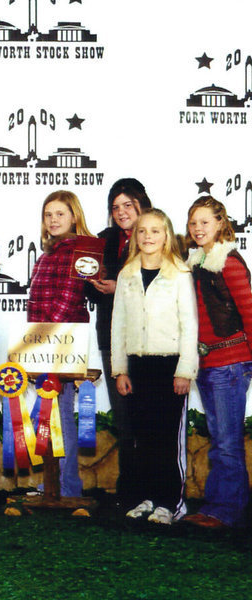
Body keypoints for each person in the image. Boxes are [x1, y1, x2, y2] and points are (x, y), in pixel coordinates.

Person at [111, 209, 197, 525]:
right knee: (141, 436)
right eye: (143, 231)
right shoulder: (126, 275)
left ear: (167, 235)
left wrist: (184, 370)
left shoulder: (180, 274)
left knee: (165, 437)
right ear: (135, 236)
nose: (148, 237)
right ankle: (147, 498)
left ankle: (170, 502)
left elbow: (190, 326)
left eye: (156, 231)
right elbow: (117, 324)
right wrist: (120, 369)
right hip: (137, 365)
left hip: (169, 366)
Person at [181, 197, 252, 528]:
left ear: (221, 223)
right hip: (208, 363)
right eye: (193, 223)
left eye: (205, 222)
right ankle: (215, 506)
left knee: (227, 442)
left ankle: (227, 511)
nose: (198, 229)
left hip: (230, 362)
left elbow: (249, 313)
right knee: (220, 439)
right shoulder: (196, 262)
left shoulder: (229, 262)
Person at [89, 179, 152, 507]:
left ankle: (156, 492)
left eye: (128, 204)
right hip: (111, 336)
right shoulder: (103, 240)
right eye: (116, 206)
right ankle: (130, 493)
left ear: (142, 204)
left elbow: (163, 284)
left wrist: (121, 288)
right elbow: (88, 287)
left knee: (149, 418)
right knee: (126, 419)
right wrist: (92, 282)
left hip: (148, 339)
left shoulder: (156, 235)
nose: (121, 212)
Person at [27, 190, 94, 498]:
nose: (53, 220)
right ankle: (58, 481)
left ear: (74, 217)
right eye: (48, 214)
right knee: (51, 410)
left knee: (61, 412)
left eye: (60, 214)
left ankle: (66, 485)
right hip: (45, 342)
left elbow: (68, 300)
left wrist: (43, 343)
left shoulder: (80, 252)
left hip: (63, 343)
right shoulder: (47, 254)